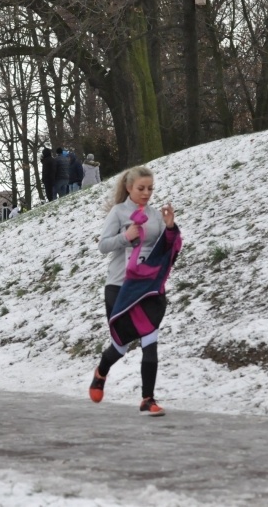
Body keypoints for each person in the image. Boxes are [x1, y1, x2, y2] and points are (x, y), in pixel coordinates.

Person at [89, 166, 181, 417]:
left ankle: (147, 399)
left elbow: (166, 248)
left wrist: (170, 227)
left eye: (150, 188)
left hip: (146, 289)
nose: (146, 193)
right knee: (121, 345)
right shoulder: (119, 212)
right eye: (141, 188)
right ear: (129, 188)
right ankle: (101, 372)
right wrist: (125, 237)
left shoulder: (154, 216)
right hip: (119, 286)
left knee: (150, 340)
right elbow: (103, 246)